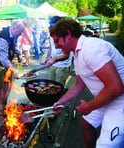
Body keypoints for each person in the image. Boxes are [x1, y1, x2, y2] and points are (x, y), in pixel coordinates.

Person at [51, 18, 124, 148]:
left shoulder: (91, 48)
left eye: (57, 41)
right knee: (87, 122)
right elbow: (79, 85)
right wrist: (59, 102)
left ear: (68, 34)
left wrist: (89, 107)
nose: (56, 46)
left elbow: (116, 88)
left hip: (120, 102)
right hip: (107, 98)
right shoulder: (77, 53)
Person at [0, 20, 25, 115]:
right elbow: (3, 58)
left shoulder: (13, 34)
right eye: (19, 33)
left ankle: (4, 99)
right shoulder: (2, 37)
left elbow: (14, 46)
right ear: (13, 28)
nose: (19, 35)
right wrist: (13, 69)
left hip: (6, 61)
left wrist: (18, 54)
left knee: (6, 81)